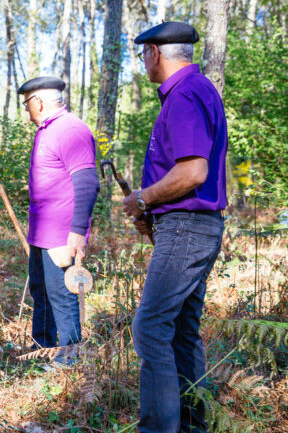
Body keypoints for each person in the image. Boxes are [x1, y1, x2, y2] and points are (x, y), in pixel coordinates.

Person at [123, 21, 227, 433]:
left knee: (150, 327)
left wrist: (145, 198)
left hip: (188, 227)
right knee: (182, 332)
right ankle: (190, 426)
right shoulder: (195, 90)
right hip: (189, 226)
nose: (143, 62)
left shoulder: (184, 94)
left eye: (143, 54)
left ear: (155, 53)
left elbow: (194, 171)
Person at [18, 76, 100, 365]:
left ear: (38, 102)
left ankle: (68, 363)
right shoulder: (46, 130)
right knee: (41, 294)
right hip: (40, 233)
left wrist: (77, 233)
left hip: (61, 236)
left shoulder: (70, 129)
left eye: (26, 103)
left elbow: (88, 182)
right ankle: (41, 352)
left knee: (63, 299)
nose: (26, 109)